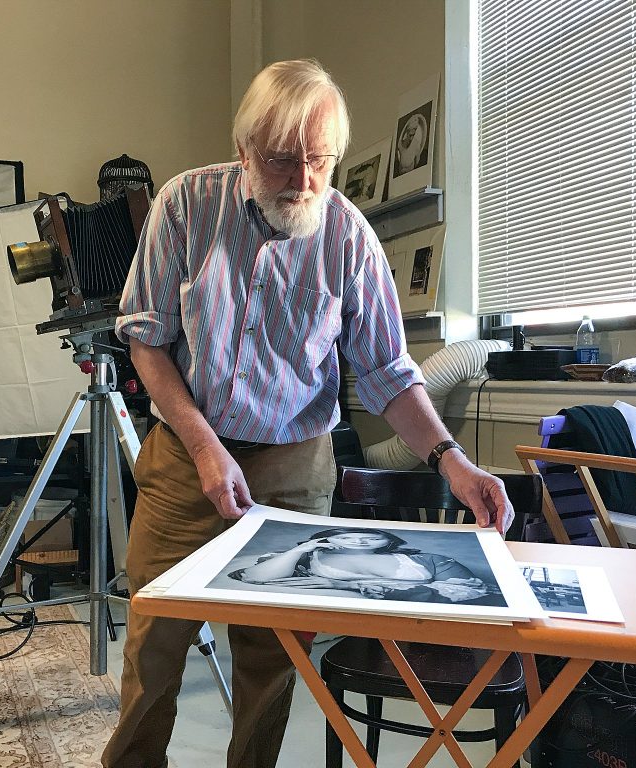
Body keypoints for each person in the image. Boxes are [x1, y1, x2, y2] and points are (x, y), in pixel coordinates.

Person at [103, 58, 513, 768]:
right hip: (185, 448)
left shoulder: (350, 237)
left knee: (272, 651)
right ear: (245, 151)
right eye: (283, 160)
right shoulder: (184, 204)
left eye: (319, 161)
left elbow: (389, 372)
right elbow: (147, 343)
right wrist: (203, 446)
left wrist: (453, 460)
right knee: (156, 635)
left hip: (296, 462)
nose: (302, 182)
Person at [233, 526, 494, 604]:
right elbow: (254, 577)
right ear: (329, 539)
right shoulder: (306, 558)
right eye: (345, 536)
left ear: (386, 540)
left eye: (372, 536)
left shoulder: (427, 560)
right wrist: (301, 548)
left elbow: (469, 591)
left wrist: (343, 584)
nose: (359, 540)